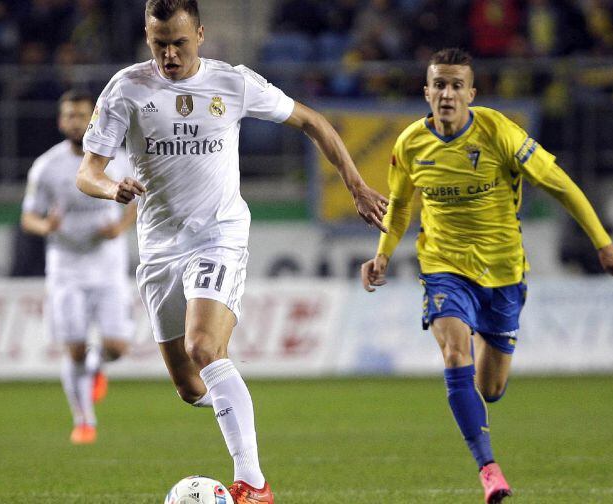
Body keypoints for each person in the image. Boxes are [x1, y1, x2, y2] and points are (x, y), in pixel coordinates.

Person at [75, 1, 387, 502]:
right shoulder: (126, 89)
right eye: (159, 46)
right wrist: (111, 188)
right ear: (147, 39)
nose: (170, 56)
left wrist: (355, 184)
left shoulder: (234, 83)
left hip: (218, 234)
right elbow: (87, 170)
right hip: (158, 247)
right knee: (189, 385)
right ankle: (228, 398)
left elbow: (312, 120)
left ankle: (253, 484)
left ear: (199, 33)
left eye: (179, 43)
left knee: (205, 348)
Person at [360, 48, 613, 504]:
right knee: (453, 352)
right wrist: (383, 254)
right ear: (426, 91)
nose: (447, 94)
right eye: (439, 85)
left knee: (490, 387)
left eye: (456, 86)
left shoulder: (498, 132)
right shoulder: (409, 143)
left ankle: (488, 361)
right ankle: (489, 469)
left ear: (471, 92)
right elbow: (403, 203)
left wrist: (602, 243)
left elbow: (559, 184)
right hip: (444, 267)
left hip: (505, 272)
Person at [21, 89, 137, 445]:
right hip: (66, 267)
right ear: (60, 121)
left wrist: (119, 227)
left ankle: (96, 365)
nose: (74, 121)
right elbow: (28, 217)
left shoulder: (118, 161)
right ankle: (84, 419)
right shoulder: (46, 166)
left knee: (117, 346)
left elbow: (140, 201)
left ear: (94, 120)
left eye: (81, 115)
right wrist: (46, 227)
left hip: (107, 264)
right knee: (73, 347)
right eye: (68, 115)